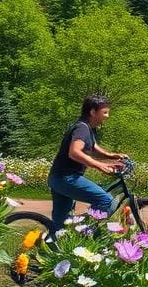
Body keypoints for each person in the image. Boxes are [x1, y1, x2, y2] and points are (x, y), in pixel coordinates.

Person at [47, 94, 126, 235]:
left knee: (61, 224)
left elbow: (93, 147)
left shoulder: (87, 127)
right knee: (105, 200)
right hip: (66, 178)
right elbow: (75, 152)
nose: (107, 116)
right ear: (92, 112)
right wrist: (99, 165)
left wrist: (111, 156)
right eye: (105, 112)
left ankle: (52, 248)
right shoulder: (82, 128)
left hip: (59, 178)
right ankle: (83, 232)